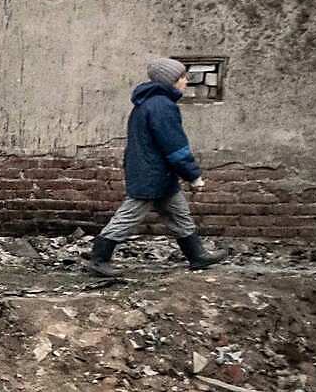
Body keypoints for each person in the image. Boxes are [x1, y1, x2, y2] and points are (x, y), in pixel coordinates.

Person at [87, 57, 222, 271]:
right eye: (182, 77)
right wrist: (193, 174)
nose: (186, 82)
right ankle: (99, 259)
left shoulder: (148, 103)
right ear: (171, 81)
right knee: (130, 216)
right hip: (152, 173)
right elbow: (175, 145)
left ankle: (197, 255)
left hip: (156, 172)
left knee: (179, 213)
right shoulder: (162, 106)